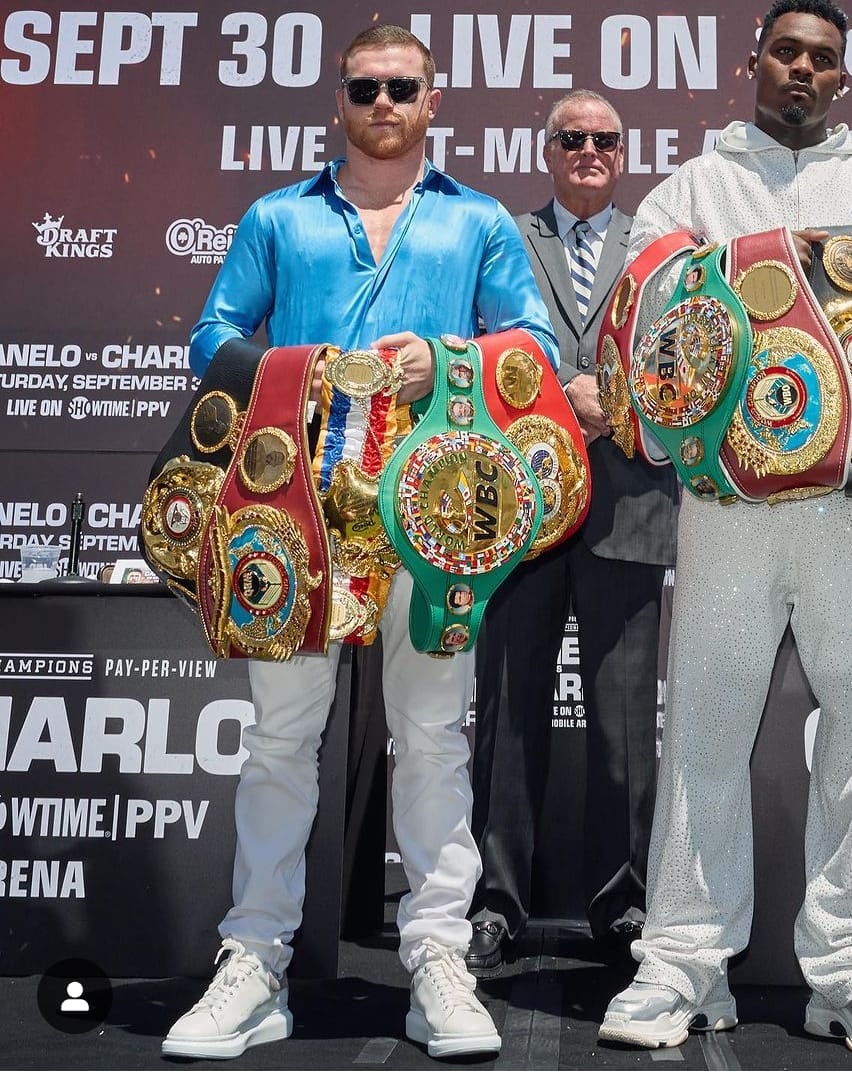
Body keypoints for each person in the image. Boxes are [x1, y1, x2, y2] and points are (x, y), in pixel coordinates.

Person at [160, 24, 557, 1061]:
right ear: (339, 100)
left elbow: (537, 346)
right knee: (283, 739)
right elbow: (212, 338)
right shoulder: (275, 217)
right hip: (292, 514)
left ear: (435, 100)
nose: (383, 101)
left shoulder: (477, 223)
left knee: (433, 739)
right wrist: (300, 369)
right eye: (365, 87)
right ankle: (253, 960)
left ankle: (437, 958)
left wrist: (449, 358)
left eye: (402, 87)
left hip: (431, 515)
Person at [599, 0, 852, 1056]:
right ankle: (681, 959)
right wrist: (758, 266)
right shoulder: (692, 186)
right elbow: (645, 309)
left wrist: (843, 267)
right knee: (706, 728)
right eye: (786, 52)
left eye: (822, 58)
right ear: (751, 62)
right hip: (729, 504)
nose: (802, 70)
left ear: (843, 77)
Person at [465, 89, 679, 974]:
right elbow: (474, 343)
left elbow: (685, 354)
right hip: (517, 503)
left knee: (626, 722)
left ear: (624, 155)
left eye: (605, 139)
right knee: (508, 713)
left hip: (631, 500)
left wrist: (615, 399)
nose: (589, 150)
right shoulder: (500, 236)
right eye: (572, 138)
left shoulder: (663, 247)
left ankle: (624, 905)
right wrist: (564, 394)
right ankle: (494, 902)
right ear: (545, 150)